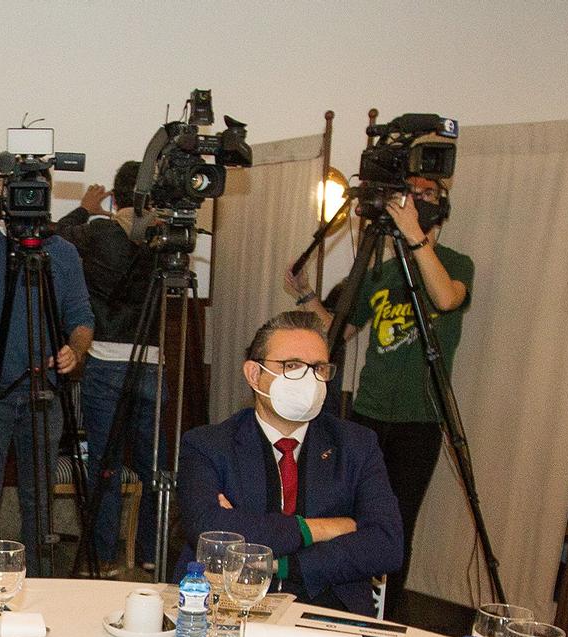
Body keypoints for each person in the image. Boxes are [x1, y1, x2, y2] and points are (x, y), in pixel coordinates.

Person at [287, 174, 470, 596]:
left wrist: (414, 235)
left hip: (418, 416)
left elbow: (445, 299)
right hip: (369, 412)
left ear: (440, 205)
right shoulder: (382, 273)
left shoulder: (457, 264)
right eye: (410, 194)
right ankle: (350, 597)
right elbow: (338, 333)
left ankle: (391, 608)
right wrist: (306, 297)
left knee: (398, 520)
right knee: (354, 512)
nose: (415, 202)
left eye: (426, 195)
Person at [177, 311, 403, 614]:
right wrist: (317, 530)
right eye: (292, 366)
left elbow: (386, 544)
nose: (308, 379)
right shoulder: (208, 445)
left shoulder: (356, 445)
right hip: (227, 602)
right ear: (254, 374)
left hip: (330, 606)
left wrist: (283, 565)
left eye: (319, 368)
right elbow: (207, 529)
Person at [0, 177, 95, 569]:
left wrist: (76, 349)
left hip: (43, 393)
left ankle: (40, 581)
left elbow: (82, 318)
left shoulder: (62, 253)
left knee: (39, 499)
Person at [58, 160, 162, 574]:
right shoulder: (164, 240)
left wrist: (85, 207)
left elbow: (52, 237)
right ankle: (152, 552)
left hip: (103, 360)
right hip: (152, 363)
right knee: (153, 466)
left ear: (116, 198)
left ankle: (103, 556)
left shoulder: (97, 233)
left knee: (105, 462)